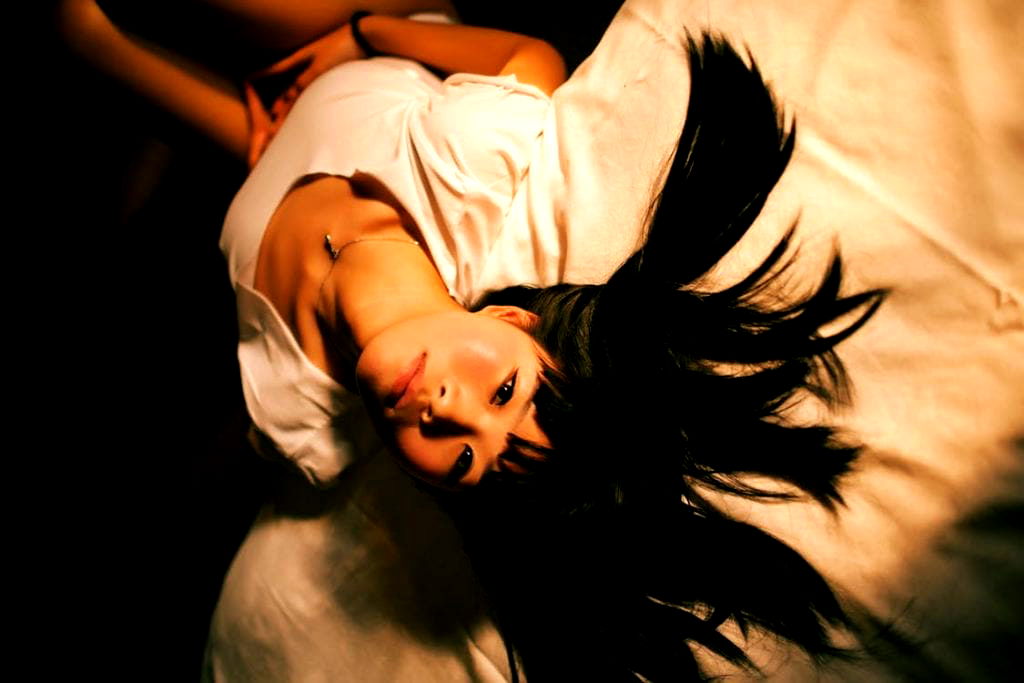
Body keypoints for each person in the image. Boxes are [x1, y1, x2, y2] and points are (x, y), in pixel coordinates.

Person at [60, 1, 888, 680]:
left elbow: (258, 157)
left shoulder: (295, 415)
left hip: (260, 132)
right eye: (505, 392)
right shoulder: (470, 175)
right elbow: (531, 59)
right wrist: (362, 35)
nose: (452, 415)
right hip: (363, 19)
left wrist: (94, 44)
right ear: (512, 321)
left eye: (465, 461)